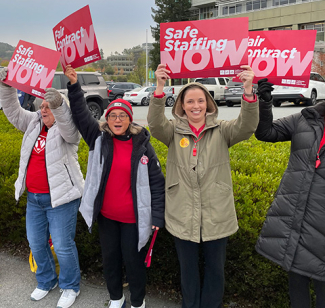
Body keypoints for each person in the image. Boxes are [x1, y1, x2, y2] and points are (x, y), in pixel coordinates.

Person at [147, 64, 259, 308]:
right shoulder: (173, 131)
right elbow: (155, 125)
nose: (195, 106)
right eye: (190, 101)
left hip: (216, 213)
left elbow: (247, 126)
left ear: (208, 104)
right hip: (182, 213)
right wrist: (159, 87)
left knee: (215, 271)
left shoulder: (223, 130)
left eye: (200, 101)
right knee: (187, 271)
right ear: (182, 106)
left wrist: (248, 91)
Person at [64, 65, 165, 308]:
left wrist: (157, 216)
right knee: (110, 259)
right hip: (107, 217)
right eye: (112, 116)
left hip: (134, 218)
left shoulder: (143, 145)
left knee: (134, 261)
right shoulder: (99, 139)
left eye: (122, 116)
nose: (117, 120)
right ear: (106, 120)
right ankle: (116, 298)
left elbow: (157, 183)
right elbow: (79, 114)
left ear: (130, 119)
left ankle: (138, 301)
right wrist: (74, 85)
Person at [0, 67, 84, 308]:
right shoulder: (34, 123)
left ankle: (70, 286)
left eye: (48, 107)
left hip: (61, 200)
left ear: (59, 109)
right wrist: (7, 86)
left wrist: (58, 103)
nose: (43, 110)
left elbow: (70, 128)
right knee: (36, 242)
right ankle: (47, 280)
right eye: (42, 106)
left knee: (63, 245)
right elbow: (13, 112)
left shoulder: (68, 130)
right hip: (35, 199)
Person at [254, 78, 325, 308]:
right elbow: (266, 132)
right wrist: (265, 103)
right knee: (298, 291)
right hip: (297, 225)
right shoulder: (305, 118)